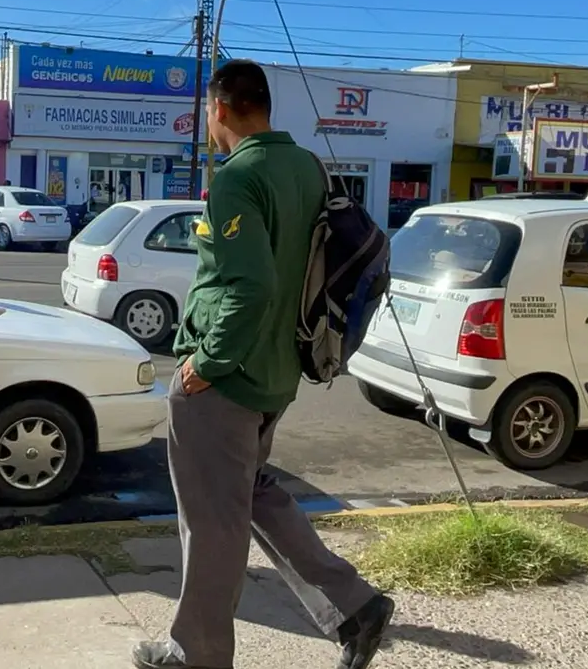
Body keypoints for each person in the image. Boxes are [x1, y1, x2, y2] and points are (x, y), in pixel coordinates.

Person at [133, 60, 395, 669]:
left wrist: (208, 361)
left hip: (229, 378)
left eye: (206, 109)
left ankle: (194, 654)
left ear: (219, 109)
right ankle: (354, 605)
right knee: (252, 495)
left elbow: (250, 284)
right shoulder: (306, 165)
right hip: (278, 374)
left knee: (212, 519)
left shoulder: (237, 177)